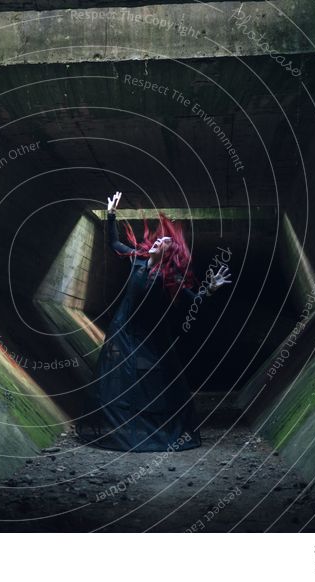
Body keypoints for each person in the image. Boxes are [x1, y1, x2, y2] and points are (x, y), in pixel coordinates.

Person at [76, 191, 231, 452]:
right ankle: (122, 427)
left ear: (170, 252)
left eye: (166, 241)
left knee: (153, 380)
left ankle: (154, 427)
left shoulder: (170, 279)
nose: (161, 240)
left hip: (150, 339)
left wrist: (210, 289)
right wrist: (111, 213)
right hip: (124, 331)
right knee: (118, 377)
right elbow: (113, 242)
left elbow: (195, 301)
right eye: (160, 239)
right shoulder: (138, 258)